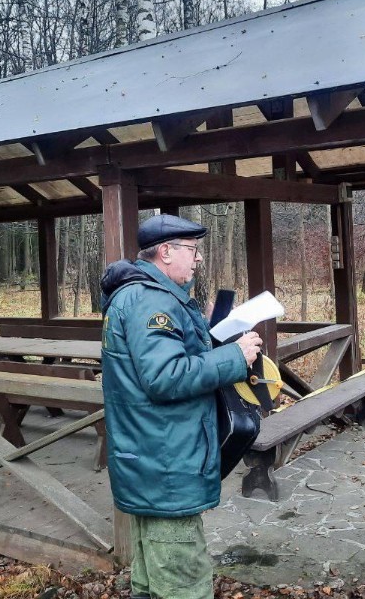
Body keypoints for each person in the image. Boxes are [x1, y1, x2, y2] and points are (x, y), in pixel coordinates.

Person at [100, 213, 263, 599]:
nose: (198, 259)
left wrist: (202, 332)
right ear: (165, 252)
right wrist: (236, 358)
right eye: (192, 250)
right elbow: (165, 376)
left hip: (152, 455)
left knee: (151, 578)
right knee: (181, 580)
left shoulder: (141, 295)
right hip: (166, 463)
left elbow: (160, 360)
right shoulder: (150, 301)